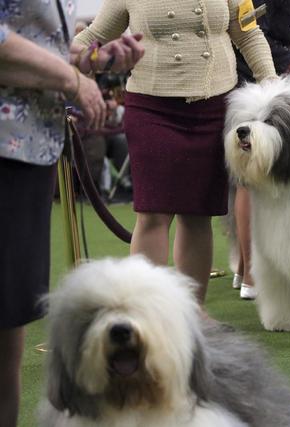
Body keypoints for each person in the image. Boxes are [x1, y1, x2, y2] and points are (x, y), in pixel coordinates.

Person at [74, 0, 278, 304]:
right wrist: (83, 79)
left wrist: (273, 86)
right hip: (152, 108)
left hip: (215, 107)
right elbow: (88, 41)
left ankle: (192, 312)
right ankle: (146, 311)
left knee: (197, 215)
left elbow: (248, 33)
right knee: (153, 214)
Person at [0, 1, 143, 426]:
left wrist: (89, 58)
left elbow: (26, 38)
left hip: (26, 147)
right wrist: (72, 79)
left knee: (9, 324)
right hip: (8, 149)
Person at [234, 0, 290, 300]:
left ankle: (242, 268)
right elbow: (249, 32)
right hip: (250, 80)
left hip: (271, 77)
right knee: (250, 176)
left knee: (265, 175)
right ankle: (253, 271)